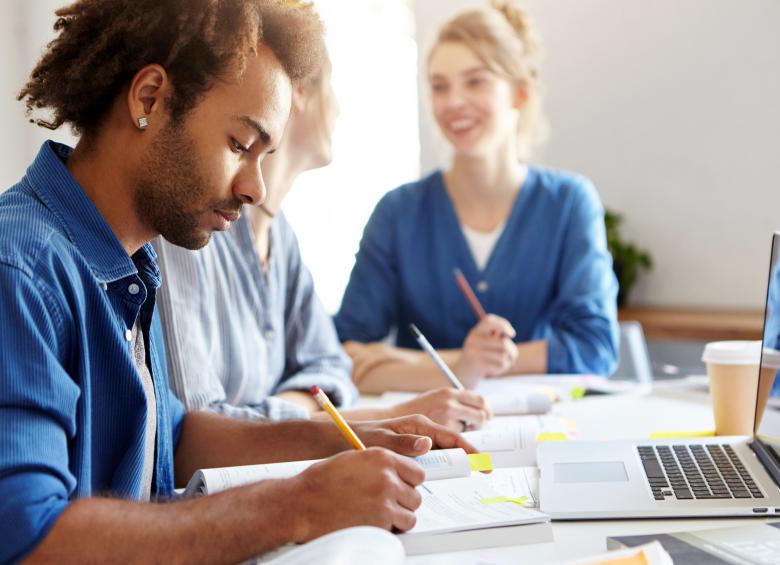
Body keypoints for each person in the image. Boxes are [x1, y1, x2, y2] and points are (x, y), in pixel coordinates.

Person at [0, 2, 473, 562]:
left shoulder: (129, 262)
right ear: (149, 98)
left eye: (265, 155)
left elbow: (173, 437)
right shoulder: (21, 269)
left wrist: (353, 437)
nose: (256, 190)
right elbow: (30, 538)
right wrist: (301, 503)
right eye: (239, 145)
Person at [153, 51, 492, 431]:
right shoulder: (194, 227)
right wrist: (318, 411)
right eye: (331, 86)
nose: (339, 108)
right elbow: (199, 430)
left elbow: (331, 365)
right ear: (297, 91)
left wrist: (287, 408)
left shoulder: (281, 237)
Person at [334, 0, 620, 394]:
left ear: (519, 93)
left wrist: (482, 360)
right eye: (439, 86)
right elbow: (345, 352)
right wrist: (463, 362)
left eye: (476, 81)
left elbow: (595, 347)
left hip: (539, 427)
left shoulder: (569, 204)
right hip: (427, 434)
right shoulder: (397, 213)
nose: (453, 102)